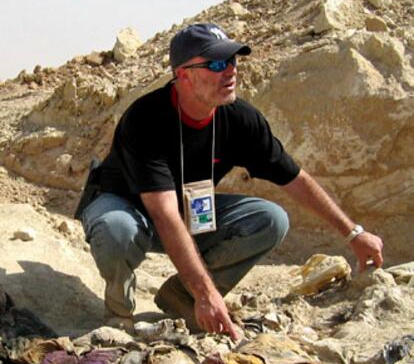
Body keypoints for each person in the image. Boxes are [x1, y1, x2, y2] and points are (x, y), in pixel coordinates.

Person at [79, 22, 384, 340]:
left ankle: (181, 297)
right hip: (128, 207)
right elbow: (163, 213)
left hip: (178, 211)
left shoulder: (240, 118)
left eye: (232, 60)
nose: (230, 71)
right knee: (117, 230)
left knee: (270, 219)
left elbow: (293, 178)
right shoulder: (146, 119)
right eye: (215, 64)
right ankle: (119, 315)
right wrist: (207, 293)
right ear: (184, 75)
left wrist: (353, 233)